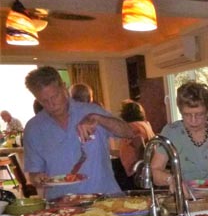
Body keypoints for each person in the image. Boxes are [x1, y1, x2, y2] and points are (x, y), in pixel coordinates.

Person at [23, 66, 133, 200]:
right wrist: (37, 178)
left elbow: (128, 132)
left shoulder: (91, 111)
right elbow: (34, 173)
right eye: (44, 101)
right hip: (62, 203)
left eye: (55, 96)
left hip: (105, 199)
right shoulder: (33, 128)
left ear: (64, 87)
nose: (52, 104)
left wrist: (98, 119)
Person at [151, 81, 208, 189]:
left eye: (199, 114)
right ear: (180, 111)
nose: (193, 120)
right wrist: (171, 180)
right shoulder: (172, 132)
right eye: (187, 115)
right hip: (185, 194)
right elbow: (155, 170)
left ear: (207, 111)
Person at [113, 99, 155, 190]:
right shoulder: (145, 125)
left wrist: (140, 169)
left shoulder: (132, 128)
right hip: (146, 168)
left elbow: (140, 145)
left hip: (135, 171)